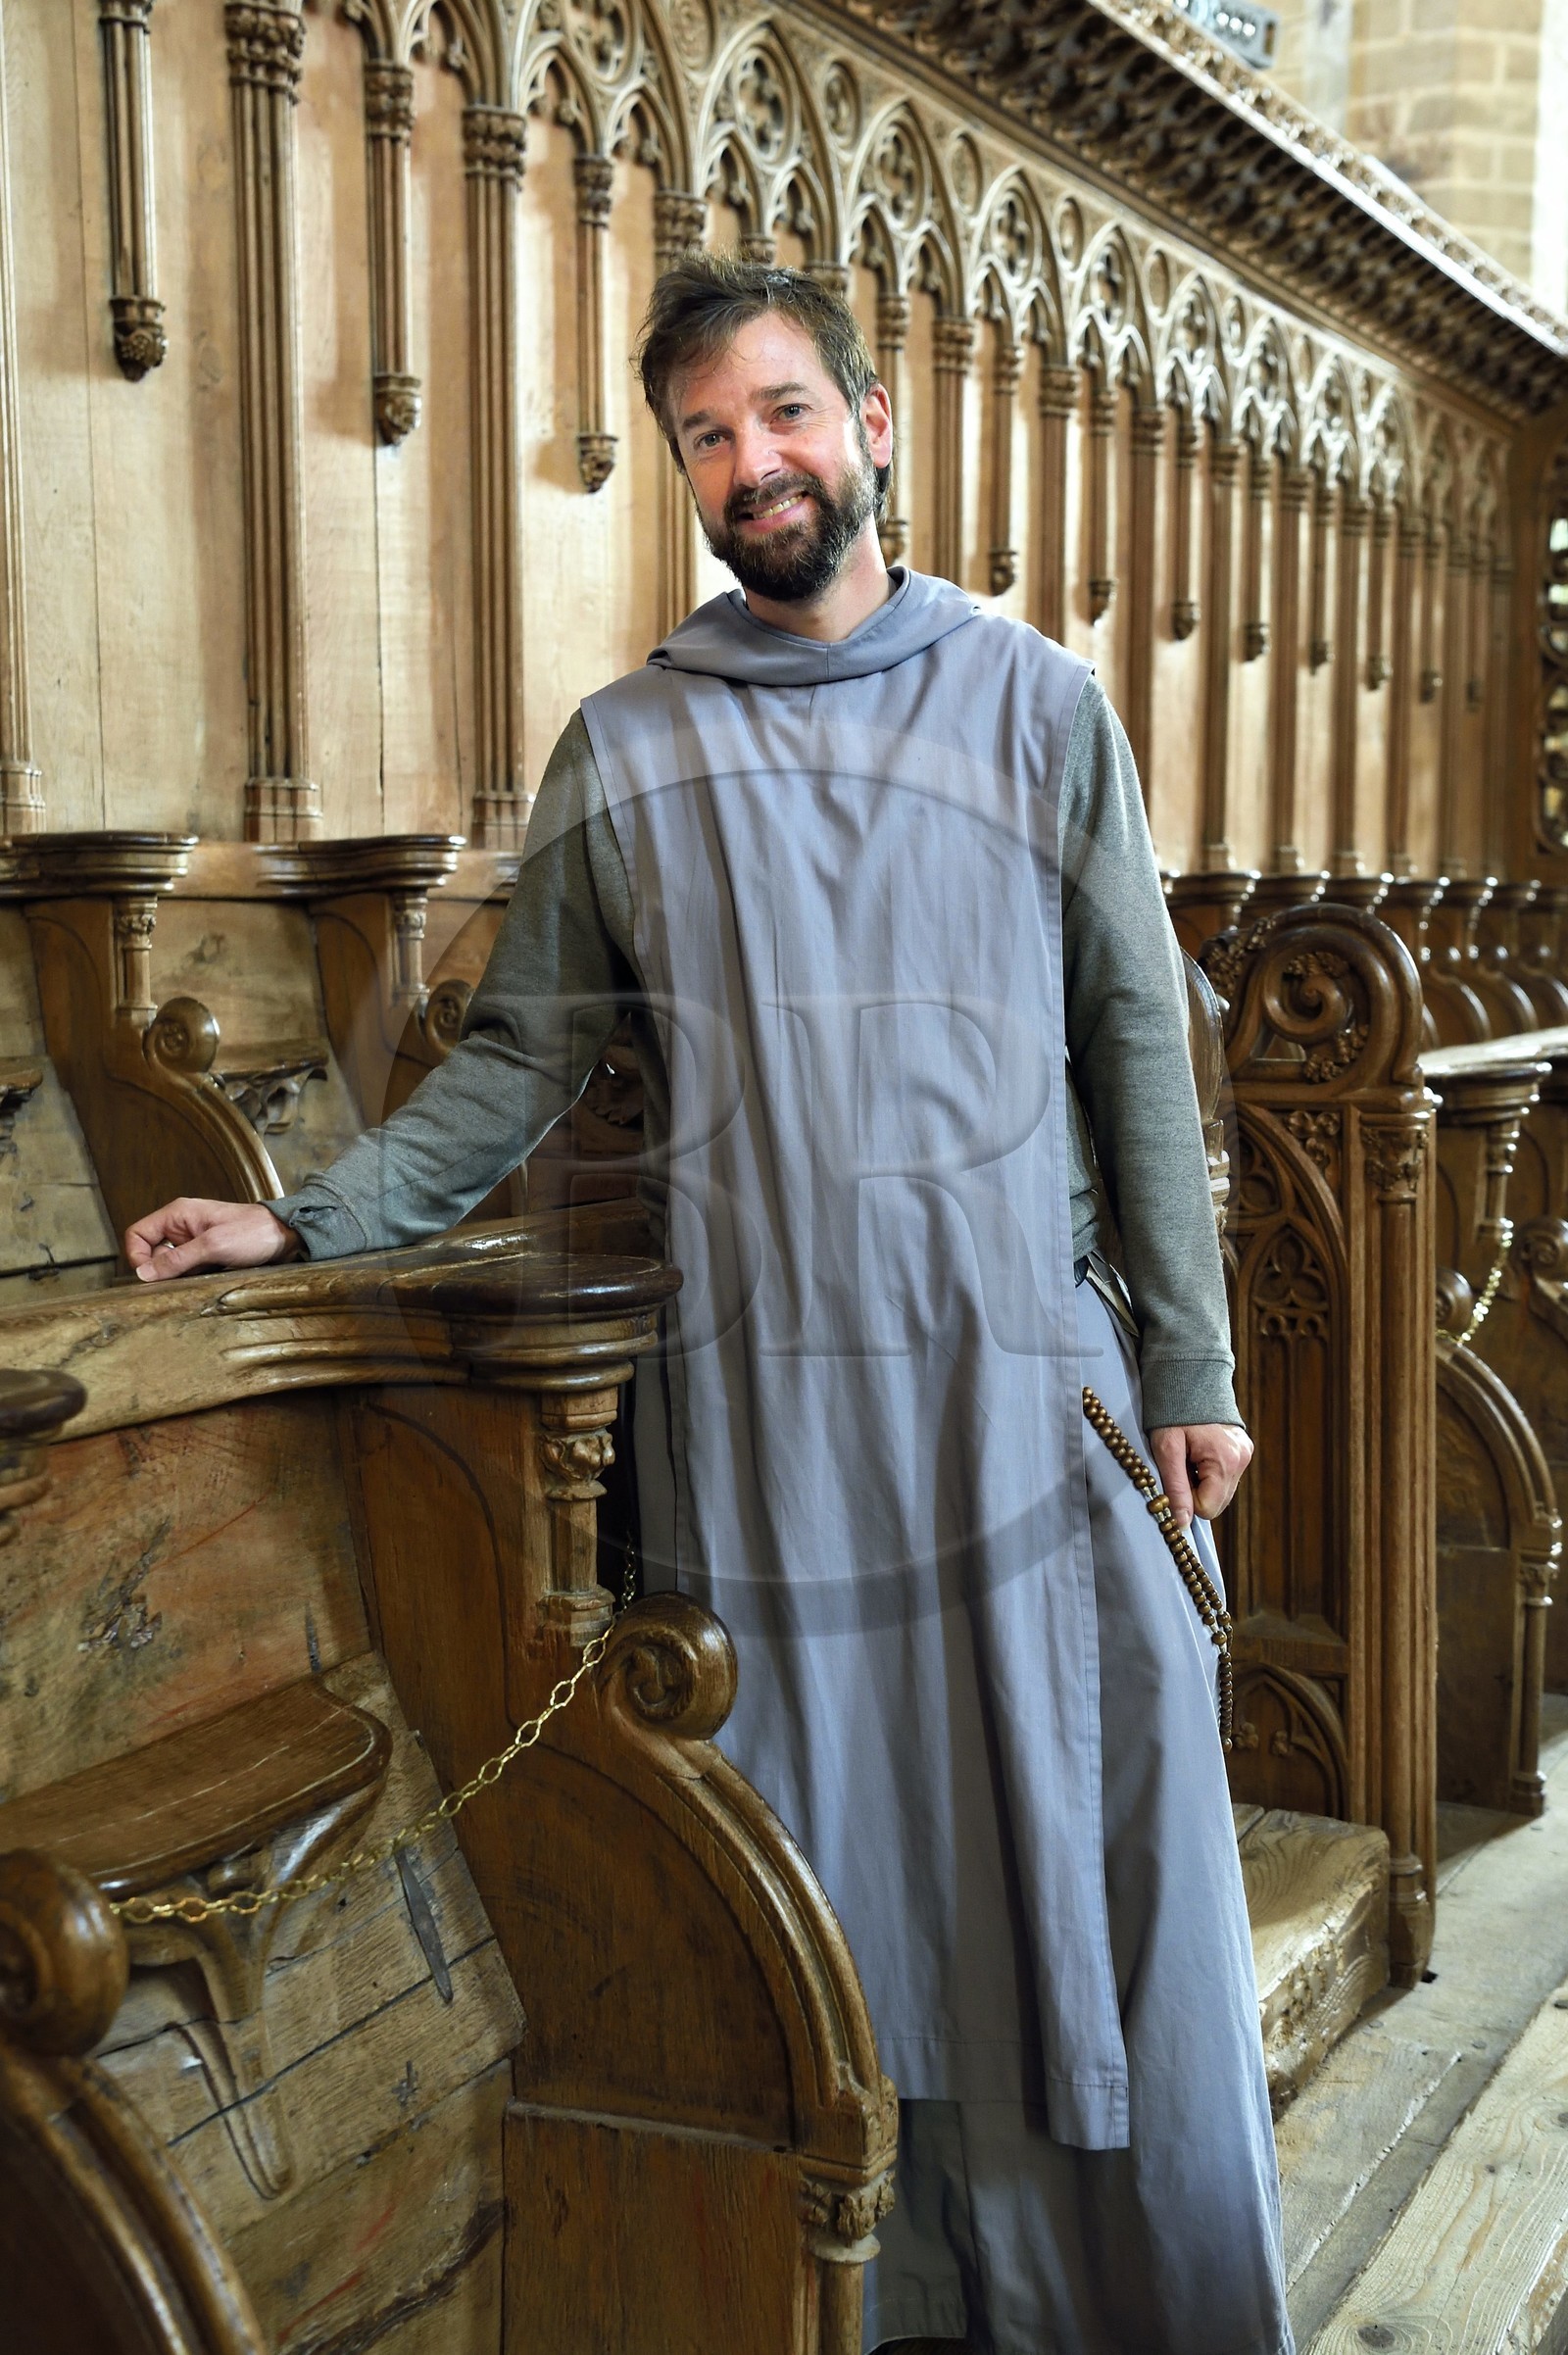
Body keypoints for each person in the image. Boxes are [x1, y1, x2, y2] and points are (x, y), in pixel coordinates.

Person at [128, 257, 1291, 2355]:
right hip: (765, 1418)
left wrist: (1190, 1364)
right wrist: (306, 1219)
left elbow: (1138, 1052)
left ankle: (1125, 2310)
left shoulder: (1035, 708)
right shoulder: (633, 741)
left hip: (1031, 1402)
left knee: (1089, 1874)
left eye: (778, 414)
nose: (748, 462)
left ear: (866, 422)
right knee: (832, 1882)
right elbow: (513, 1062)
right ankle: (886, 2303)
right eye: (702, 435)